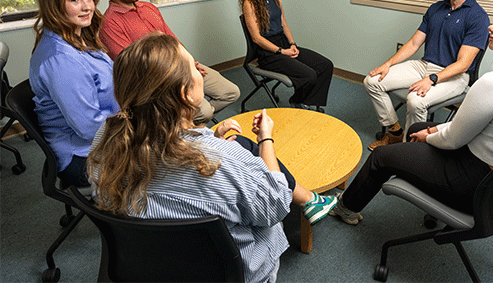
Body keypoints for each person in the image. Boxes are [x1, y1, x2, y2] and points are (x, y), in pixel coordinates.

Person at [87, 34, 337, 283]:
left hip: (148, 267)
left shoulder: (104, 140)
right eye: (194, 65)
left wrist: (210, 139)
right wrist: (265, 140)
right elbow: (276, 206)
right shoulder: (222, 161)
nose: (200, 69)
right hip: (228, 274)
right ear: (185, 94)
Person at [330, 0, 493, 225]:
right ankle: (409, 156)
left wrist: (430, 136)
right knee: (416, 127)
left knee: (381, 157)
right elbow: (476, 124)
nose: (492, 27)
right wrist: (431, 130)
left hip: (473, 182)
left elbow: (454, 140)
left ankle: (345, 208)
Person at [364, 0, 490, 150]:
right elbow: (414, 43)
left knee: (415, 101)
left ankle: (408, 151)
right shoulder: (436, 8)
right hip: (424, 65)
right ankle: (395, 133)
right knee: (372, 81)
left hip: (454, 75)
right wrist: (387, 64)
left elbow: (463, 64)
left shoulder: (478, 17)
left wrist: (432, 79)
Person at [93, 0, 239, 124]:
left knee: (231, 92)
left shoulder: (148, 8)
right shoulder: (109, 24)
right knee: (203, 111)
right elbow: (133, 67)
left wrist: (191, 63)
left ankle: (183, 123)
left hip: (183, 66)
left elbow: (173, 40)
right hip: (160, 81)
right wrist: (178, 74)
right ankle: (187, 123)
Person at [29, 0, 119, 187]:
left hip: (109, 134)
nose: (87, 6)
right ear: (54, 5)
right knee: (169, 165)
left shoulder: (80, 40)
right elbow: (90, 128)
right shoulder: (61, 60)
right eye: (74, 0)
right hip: (85, 156)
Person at [240, 0, 334, 111]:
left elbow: (283, 23)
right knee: (309, 75)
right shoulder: (249, 3)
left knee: (326, 66)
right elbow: (256, 38)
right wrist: (282, 51)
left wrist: (292, 44)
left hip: (284, 43)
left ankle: (306, 100)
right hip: (269, 53)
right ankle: (296, 101)